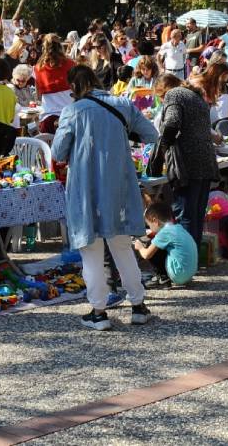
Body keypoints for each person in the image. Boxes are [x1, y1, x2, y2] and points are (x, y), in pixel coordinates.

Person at [52, 65, 158, 331]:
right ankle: (138, 306)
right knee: (122, 246)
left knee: (91, 251)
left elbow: (58, 152)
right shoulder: (122, 104)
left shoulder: (73, 111)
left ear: (73, 87)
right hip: (119, 188)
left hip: (86, 189)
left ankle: (99, 311)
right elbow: (150, 134)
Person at [146, 73, 219, 246]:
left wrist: (161, 151)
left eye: (162, 97)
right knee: (197, 214)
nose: (163, 101)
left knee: (184, 214)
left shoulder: (175, 94)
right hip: (206, 161)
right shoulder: (196, 96)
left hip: (187, 163)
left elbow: (172, 123)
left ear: (166, 90)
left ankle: (184, 259)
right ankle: (193, 258)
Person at [134, 202, 197, 290]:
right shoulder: (178, 227)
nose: (150, 228)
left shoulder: (165, 232)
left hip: (179, 275)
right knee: (159, 244)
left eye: (149, 225)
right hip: (189, 273)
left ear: (155, 221)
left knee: (151, 244)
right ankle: (165, 276)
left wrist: (140, 247)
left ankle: (163, 278)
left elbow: (146, 255)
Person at [33, 34, 75, 134]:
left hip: (48, 118)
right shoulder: (71, 64)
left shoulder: (38, 68)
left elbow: (38, 96)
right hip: (70, 116)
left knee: (47, 148)